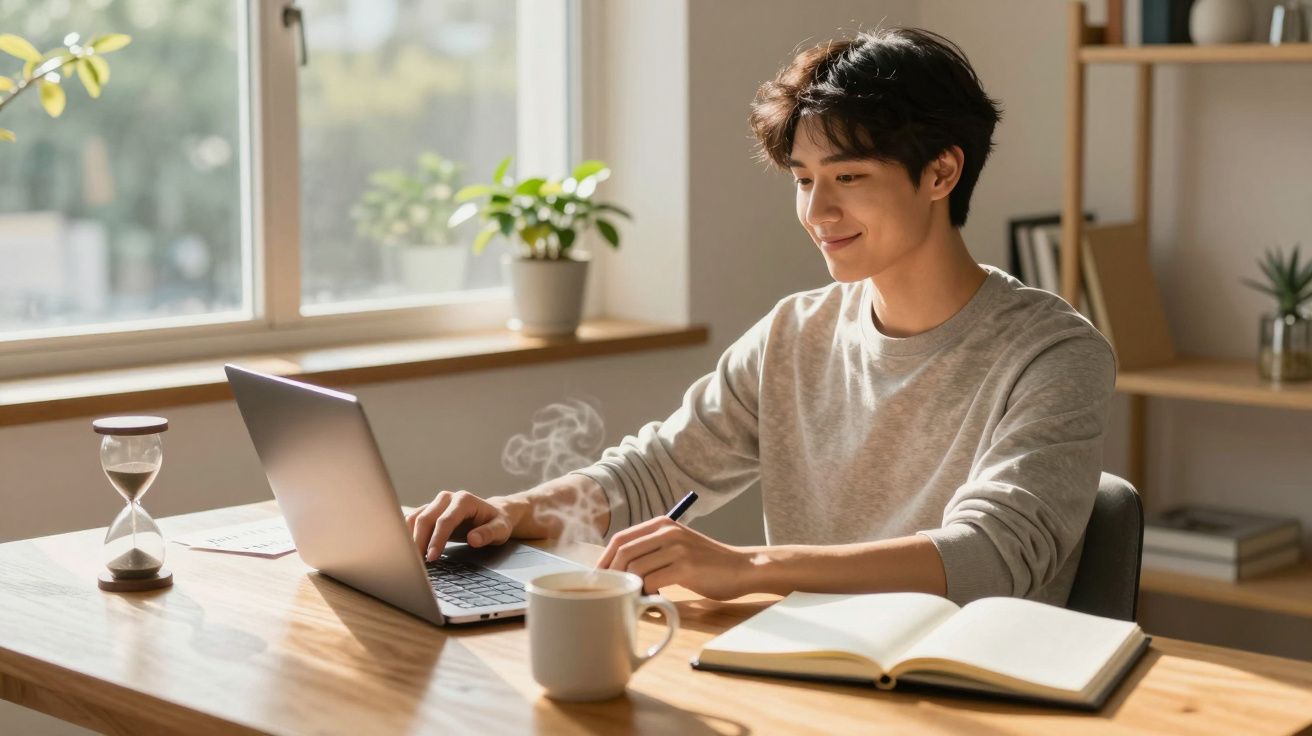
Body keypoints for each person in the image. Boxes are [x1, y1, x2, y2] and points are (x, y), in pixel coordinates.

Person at [406, 27, 1115, 606]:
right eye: (804, 180)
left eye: (849, 177)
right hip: (808, 668)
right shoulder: (794, 333)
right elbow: (656, 470)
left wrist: (751, 568)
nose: (817, 211)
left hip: (968, 691)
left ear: (940, 173)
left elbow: (992, 557)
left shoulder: (1053, 354)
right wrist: (513, 511)